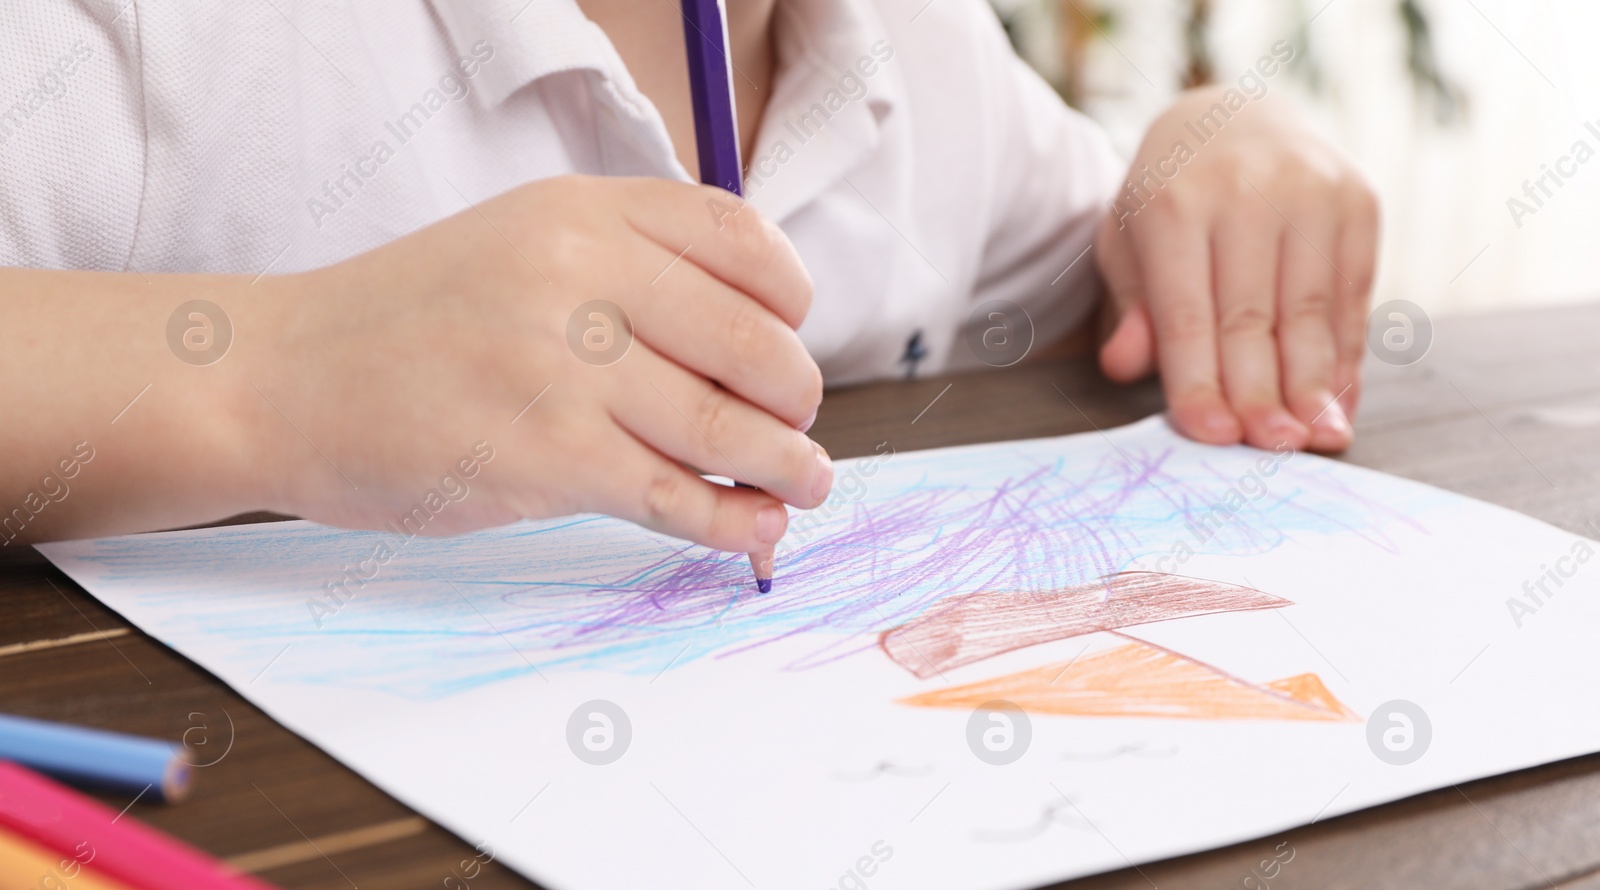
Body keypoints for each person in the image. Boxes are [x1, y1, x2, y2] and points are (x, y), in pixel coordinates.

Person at [0, 0, 1376, 556]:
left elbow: (1107, 262)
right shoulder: (167, 37)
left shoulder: (922, 41)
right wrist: (277, 370)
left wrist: (1211, 138)